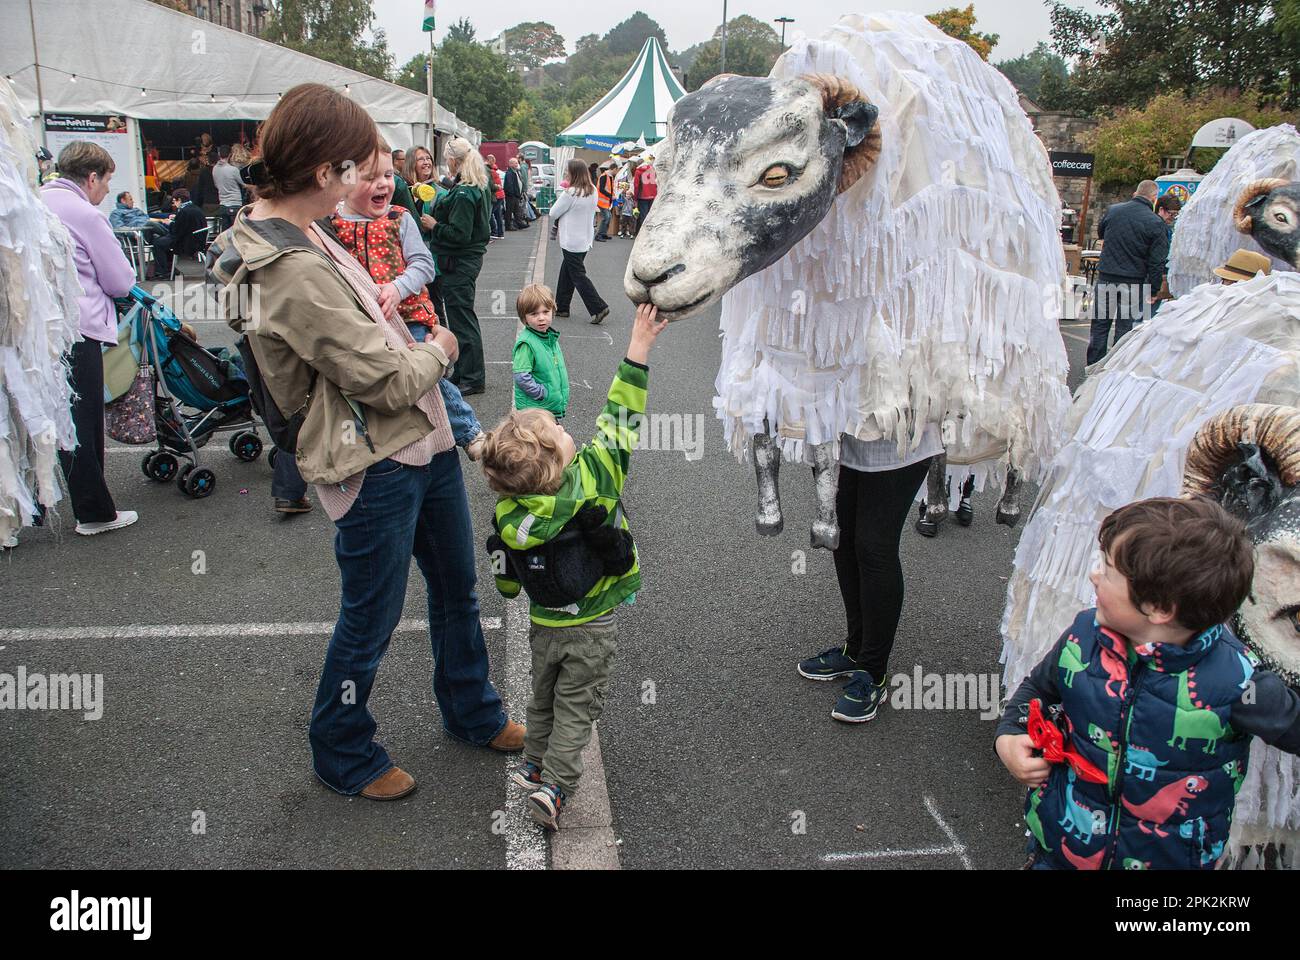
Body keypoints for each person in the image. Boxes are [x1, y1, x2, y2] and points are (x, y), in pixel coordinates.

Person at [207, 83, 521, 801]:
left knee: (456, 588)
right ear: (324, 173)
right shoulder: (284, 263)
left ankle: (471, 710)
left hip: (420, 437)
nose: (365, 181)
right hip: (372, 454)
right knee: (371, 617)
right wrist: (441, 345)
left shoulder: (296, 229)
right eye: (353, 167)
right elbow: (382, 378)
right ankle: (341, 746)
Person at [995, 497, 1300, 870]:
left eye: (1107, 569)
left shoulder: (1238, 683)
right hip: (1062, 850)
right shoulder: (1082, 638)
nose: (1094, 575)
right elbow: (1035, 692)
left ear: (1158, 608)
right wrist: (1009, 736)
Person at [481, 302, 668, 829]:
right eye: (559, 434)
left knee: (544, 695)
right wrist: (640, 344)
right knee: (578, 706)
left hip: (545, 622)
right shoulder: (594, 478)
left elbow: (506, 580)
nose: (569, 433)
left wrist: (508, 583)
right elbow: (621, 416)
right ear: (556, 460)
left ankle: (534, 765)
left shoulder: (509, 510)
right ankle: (557, 787)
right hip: (592, 619)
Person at [331, 143, 486, 459]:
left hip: (407, 315)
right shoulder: (330, 223)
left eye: (388, 175)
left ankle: (468, 431)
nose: (384, 183)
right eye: (370, 176)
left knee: (424, 374)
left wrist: (397, 288)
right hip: (359, 320)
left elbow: (424, 264)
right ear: (343, 181)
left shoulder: (399, 219)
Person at [796, 426, 940, 722]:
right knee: (843, 537)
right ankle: (856, 647)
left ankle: (872, 672)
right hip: (843, 424)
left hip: (897, 429)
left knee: (874, 546)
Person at [41, 142, 139, 536]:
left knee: (41, 416)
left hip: (36, 329)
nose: (105, 190)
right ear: (93, 176)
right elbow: (119, 280)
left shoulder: (37, 200)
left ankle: (29, 507)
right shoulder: (84, 213)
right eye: (107, 180)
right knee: (81, 419)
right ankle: (94, 511)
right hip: (76, 327)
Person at [428, 136, 492, 395]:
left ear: (454, 160)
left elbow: (459, 233)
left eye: (448, 161)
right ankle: (468, 372)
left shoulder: (465, 192)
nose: (447, 165)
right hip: (467, 260)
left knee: (462, 318)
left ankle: (472, 376)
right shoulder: (476, 184)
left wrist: (435, 226)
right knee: (463, 316)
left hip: (460, 260)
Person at [1087, 180, 1169, 365]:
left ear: (1135, 193)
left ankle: (1092, 367)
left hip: (1106, 276)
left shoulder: (1114, 211)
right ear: (1154, 198)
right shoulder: (1156, 223)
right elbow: (1156, 262)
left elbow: (1101, 233)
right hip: (1133, 281)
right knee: (1124, 329)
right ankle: (1112, 370)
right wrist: (1155, 289)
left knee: (1099, 326)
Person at [550, 159, 610, 325]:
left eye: (568, 171)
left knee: (577, 275)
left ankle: (598, 307)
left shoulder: (570, 193)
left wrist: (560, 194)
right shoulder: (593, 190)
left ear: (573, 173)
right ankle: (562, 306)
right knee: (567, 272)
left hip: (570, 240)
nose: (567, 174)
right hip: (584, 239)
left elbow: (553, 213)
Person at [512, 283, 569, 418]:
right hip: (534, 411)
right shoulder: (527, 343)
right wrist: (541, 393)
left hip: (545, 408)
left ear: (553, 311)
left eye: (545, 312)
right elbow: (521, 375)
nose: (541, 318)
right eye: (534, 314)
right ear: (524, 317)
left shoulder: (549, 338)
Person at [148, 188, 208, 279]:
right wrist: (176, 219)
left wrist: (170, 223)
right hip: (197, 239)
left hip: (188, 242)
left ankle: (162, 271)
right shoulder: (195, 208)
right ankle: (170, 269)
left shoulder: (184, 211)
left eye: (174, 201)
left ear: (179, 200)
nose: (174, 204)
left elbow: (177, 231)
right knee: (164, 241)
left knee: (158, 243)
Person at [212, 144, 247, 231]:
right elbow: (244, 184)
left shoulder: (214, 169)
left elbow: (216, 185)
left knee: (225, 234)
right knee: (236, 233)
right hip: (235, 204)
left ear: (219, 154)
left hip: (222, 205)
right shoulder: (233, 170)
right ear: (230, 155)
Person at [503, 156, 528, 231]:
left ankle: (519, 223)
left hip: (516, 195)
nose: (517, 164)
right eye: (515, 163)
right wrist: (513, 194)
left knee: (517, 211)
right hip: (511, 196)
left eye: (517, 162)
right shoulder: (510, 173)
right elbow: (509, 185)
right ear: (511, 164)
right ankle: (509, 226)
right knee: (509, 211)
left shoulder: (516, 171)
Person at [633, 154, 658, 229]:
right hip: (653, 195)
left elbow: (636, 185)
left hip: (643, 195)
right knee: (650, 215)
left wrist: (635, 197)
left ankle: (643, 231)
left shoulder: (638, 171)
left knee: (643, 216)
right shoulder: (652, 169)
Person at [486, 154, 506, 240]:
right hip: (500, 195)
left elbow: (491, 185)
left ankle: (494, 232)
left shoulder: (491, 171)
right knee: (498, 215)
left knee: (489, 214)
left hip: (496, 195)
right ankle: (500, 233)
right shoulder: (495, 170)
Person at [594, 162, 616, 241]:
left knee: (608, 217)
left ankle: (603, 234)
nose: (617, 172)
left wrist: (612, 196)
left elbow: (610, 189)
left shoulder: (610, 177)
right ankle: (599, 235)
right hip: (601, 201)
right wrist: (610, 196)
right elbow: (601, 189)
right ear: (614, 169)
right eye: (617, 170)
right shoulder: (604, 176)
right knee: (606, 217)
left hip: (606, 201)